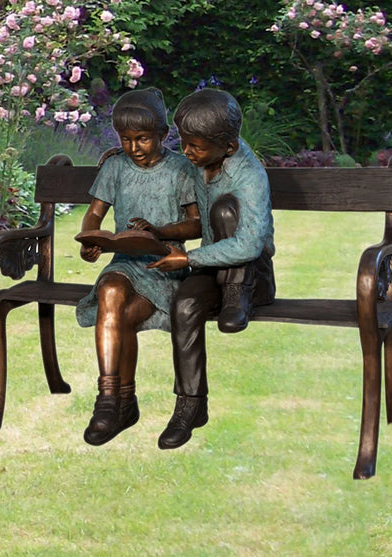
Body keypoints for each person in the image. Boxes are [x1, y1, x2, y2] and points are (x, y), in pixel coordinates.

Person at [148, 88, 275, 449]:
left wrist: (188, 260)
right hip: (213, 263)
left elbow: (250, 245)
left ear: (229, 148)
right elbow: (165, 168)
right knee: (184, 306)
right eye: (184, 143)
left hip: (254, 278)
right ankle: (191, 404)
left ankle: (237, 295)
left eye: (195, 147)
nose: (186, 153)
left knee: (225, 211)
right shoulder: (200, 162)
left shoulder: (248, 175)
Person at [76, 88, 199, 446]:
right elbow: (96, 213)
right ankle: (110, 399)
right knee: (110, 291)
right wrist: (91, 238)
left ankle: (121, 403)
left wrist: (159, 232)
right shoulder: (115, 166)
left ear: (163, 134)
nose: (134, 148)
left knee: (122, 314)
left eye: (143, 139)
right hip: (124, 261)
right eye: (126, 140)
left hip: (165, 264)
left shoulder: (180, 169)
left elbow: (196, 224)